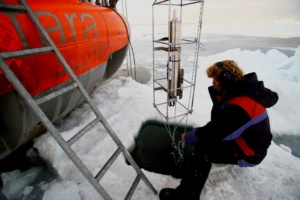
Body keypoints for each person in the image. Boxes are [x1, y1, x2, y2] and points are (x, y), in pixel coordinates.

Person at [159, 60, 279, 200]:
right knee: (205, 140)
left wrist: (192, 136)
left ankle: (187, 195)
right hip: (245, 138)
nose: (213, 83)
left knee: (203, 149)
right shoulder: (240, 92)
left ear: (226, 78)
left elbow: (218, 131)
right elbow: (222, 123)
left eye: (215, 79)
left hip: (250, 151)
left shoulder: (241, 103)